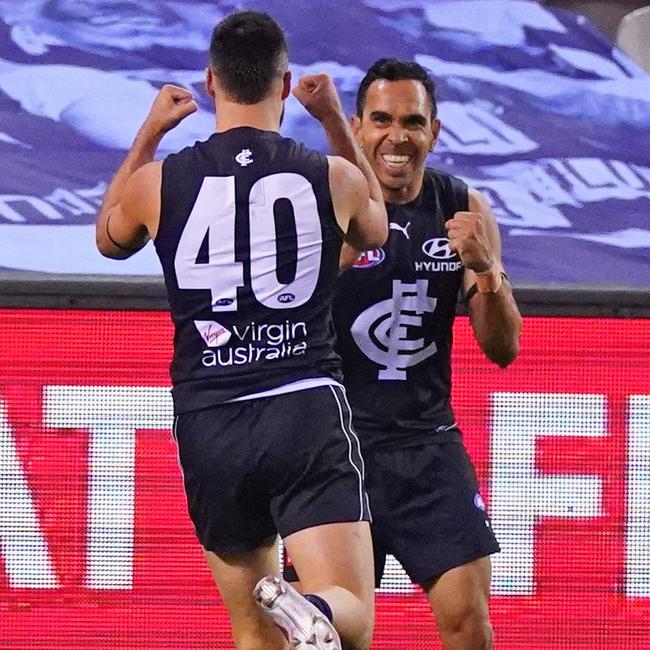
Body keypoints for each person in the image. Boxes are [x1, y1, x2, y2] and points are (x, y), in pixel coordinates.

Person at [95, 11, 388, 650]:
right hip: (302, 406)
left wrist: (148, 133)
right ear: (285, 87)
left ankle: (287, 611)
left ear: (209, 83)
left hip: (211, 419)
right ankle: (309, 606)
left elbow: (107, 239)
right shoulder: (331, 175)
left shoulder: (158, 182)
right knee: (352, 613)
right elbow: (376, 232)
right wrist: (336, 121)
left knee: (251, 632)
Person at [286, 58, 523, 649]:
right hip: (339, 453)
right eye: (382, 120)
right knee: (330, 634)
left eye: (413, 122)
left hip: (428, 449)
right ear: (360, 128)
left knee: (469, 623)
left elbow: (504, 349)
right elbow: (287, 319)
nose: (398, 137)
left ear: (434, 132)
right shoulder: (324, 201)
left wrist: (486, 271)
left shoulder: (463, 206)